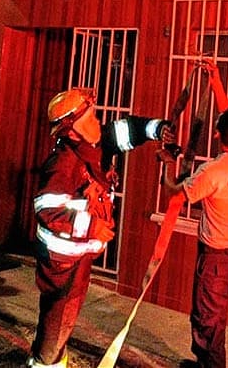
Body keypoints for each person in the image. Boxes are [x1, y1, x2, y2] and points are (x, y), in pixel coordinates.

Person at [27, 87, 175, 368]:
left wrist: (158, 129)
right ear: (71, 130)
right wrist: (92, 225)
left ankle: (50, 357)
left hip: (78, 253)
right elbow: (47, 209)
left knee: (63, 314)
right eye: (90, 118)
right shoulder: (63, 164)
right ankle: (45, 363)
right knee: (60, 313)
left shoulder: (93, 144)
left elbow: (128, 129)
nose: (97, 122)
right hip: (62, 259)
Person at [161, 59, 228, 368]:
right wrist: (215, 79)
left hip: (217, 257)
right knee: (206, 313)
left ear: (218, 135)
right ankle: (203, 362)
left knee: (209, 321)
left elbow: (174, 191)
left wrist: (166, 160)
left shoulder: (212, 173)